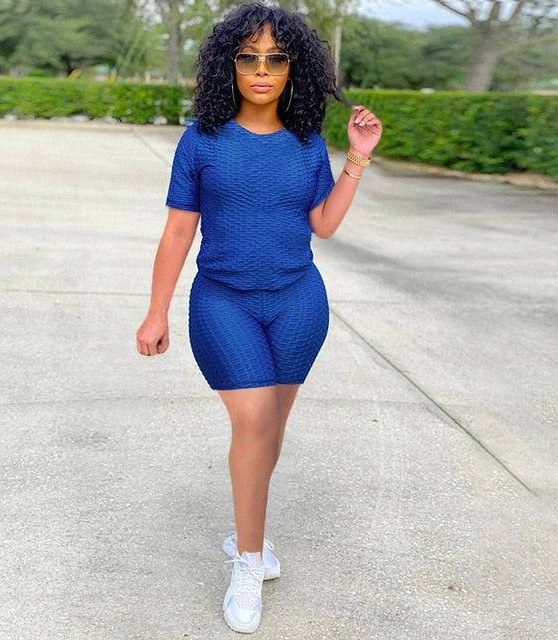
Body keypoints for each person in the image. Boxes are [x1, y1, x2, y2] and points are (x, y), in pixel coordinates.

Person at [136, 2, 382, 634]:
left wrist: (357, 158)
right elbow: (177, 233)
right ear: (231, 65)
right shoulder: (202, 138)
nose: (263, 70)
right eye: (249, 58)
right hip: (223, 302)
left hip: (298, 303)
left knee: (270, 432)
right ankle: (249, 561)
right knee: (253, 422)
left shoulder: (306, 144)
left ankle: (252, 536)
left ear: (294, 67)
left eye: (276, 58)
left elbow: (322, 225)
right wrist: (157, 311)